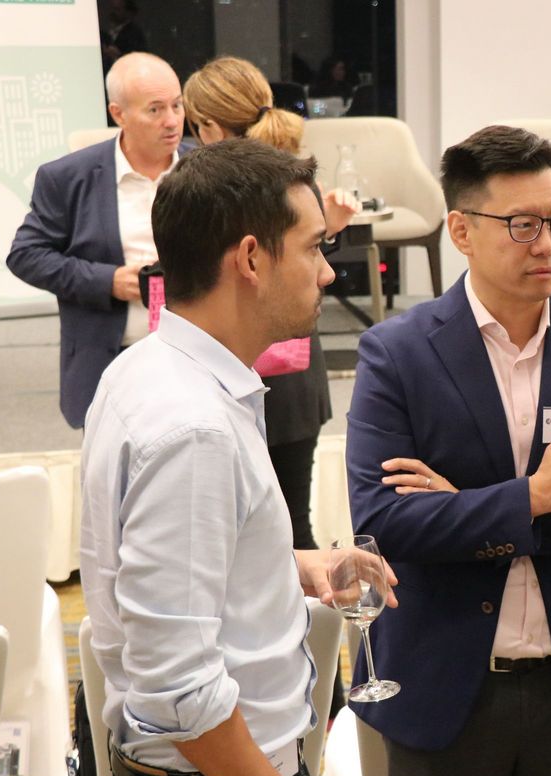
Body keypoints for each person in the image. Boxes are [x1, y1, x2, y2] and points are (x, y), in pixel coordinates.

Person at [344, 124, 551, 776]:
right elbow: (384, 523)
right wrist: (536, 497)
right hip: (442, 683)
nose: (547, 245)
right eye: (522, 225)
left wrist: (462, 505)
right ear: (461, 230)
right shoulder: (397, 353)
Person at [79, 137, 395, 776]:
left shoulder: (148, 369)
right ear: (251, 258)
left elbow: (178, 583)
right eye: (313, 247)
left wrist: (292, 566)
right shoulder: (194, 428)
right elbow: (179, 690)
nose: (327, 273)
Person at [183, 53, 358, 713]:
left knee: (254, 543)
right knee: (291, 526)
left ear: (207, 126)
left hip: (254, 372)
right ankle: (323, 696)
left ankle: (307, 694)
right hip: (295, 377)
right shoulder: (289, 176)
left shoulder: (210, 194)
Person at [7, 52, 188, 430]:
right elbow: (26, 255)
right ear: (119, 114)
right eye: (155, 110)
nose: (172, 120)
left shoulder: (206, 169)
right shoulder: (68, 177)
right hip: (110, 360)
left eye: (177, 105)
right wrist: (108, 281)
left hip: (194, 359)